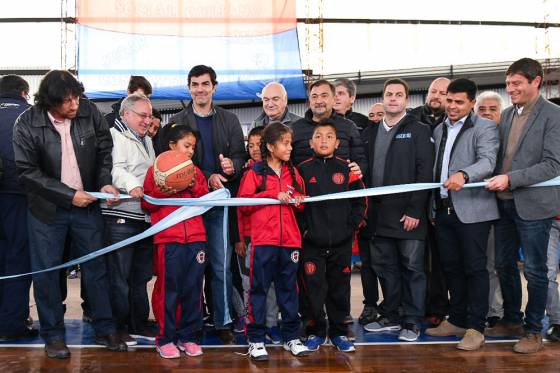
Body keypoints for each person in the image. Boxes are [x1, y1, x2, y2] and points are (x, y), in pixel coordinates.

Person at [13, 70, 127, 358]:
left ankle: (105, 328)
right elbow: (27, 172)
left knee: (97, 268)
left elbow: (104, 149)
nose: (75, 105)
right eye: (67, 101)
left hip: (87, 205)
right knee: (48, 272)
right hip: (46, 211)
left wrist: (103, 180)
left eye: (76, 97)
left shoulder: (88, 110)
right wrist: (67, 195)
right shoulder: (27, 123)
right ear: (49, 102)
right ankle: (52, 335)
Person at [485, 58, 560, 354]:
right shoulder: (505, 115)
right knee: (504, 265)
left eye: (516, 84)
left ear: (536, 81)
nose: (511, 89)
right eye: (508, 84)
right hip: (503, 204)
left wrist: (511, 178)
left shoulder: (553, 116)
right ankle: (512, 319)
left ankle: (532, 331)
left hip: (534, 207)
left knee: (535, 270)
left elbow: (553, 164)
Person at [169, 65, 245, 344]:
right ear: (189, 87)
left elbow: (240, 154)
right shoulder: (177, 121)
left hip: (220, 205)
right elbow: (172, 164)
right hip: (188, 206)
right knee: (190, 268)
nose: (200, 89)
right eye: (194, 84)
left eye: (205, 84)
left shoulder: (230, 119)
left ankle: (222, 320)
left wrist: (231, 166)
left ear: (214, 86)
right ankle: (191, 321)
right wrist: (205, 175)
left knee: (221, 266)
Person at [425, 78, 500, 351]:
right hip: (444, 209)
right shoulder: (438, 129)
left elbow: (488, 161)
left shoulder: (486, 128)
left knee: (475, 269)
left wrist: (464, 174)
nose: (452, 107)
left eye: (459, 102)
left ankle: (476, 328)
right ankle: (456, 319)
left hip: (473, 211)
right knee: (451, 268)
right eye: (449, 100)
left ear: (472, 103)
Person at [362, 78, 434, 342]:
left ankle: (413, 320)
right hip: (379, 217)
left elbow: (425, 172)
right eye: (389, 94)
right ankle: (391, 315)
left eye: (398, 94)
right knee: (385, 268)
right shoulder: (369, 133)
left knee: (412, 269)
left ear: (406, 100)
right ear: (383, 98)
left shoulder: (418, 129)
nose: (393, 98)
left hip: (408, 217)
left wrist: (415, 210)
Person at [237, 122, 310, 361]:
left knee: (289, 291)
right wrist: (272, 196)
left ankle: (291, 337)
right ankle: (256, 340)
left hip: (289, 242)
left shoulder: (294, 172)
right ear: (270, 146)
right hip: (263, 241)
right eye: (285, 143)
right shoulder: (254, 173)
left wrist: (298, 200)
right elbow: (243, 205)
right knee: (258, 290)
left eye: (290, 143)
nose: (289, 148)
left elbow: (301, 203)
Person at [298, 119, 367, 352]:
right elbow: (296, 207)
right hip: (312, 244)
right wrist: (305, 231)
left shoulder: (347, 169)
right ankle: (316, 332)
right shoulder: (302, 170)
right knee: (314, 289)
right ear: (310, 142)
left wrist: (351, 228)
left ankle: (338, 333)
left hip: (341, 243)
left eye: (329, 136)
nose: (324, 140)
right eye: (318, 136)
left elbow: (361, 201)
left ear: (337, 143)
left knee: (340, 289)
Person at [142, 125, 209, 359]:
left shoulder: (196, 172)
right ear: (172, 146)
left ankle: (188, 336)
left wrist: (193, 185)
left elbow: (205, 200)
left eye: (193, 147)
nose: (191, 151)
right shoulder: (156, 171)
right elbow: (147, 203)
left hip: (196, 239)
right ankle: (165, 338)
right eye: (186, 145)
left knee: (193, 290)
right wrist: (166, 191)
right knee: (168, 290)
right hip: (168, 239)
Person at [101, 93, 156, 345]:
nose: (147, 121)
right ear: (125, 114)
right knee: (119, 277)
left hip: (144, 216)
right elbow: (115, 168)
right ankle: (118, 326)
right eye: (142, 115)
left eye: (149, 116)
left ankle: (138, 323)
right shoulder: (114, 136)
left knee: (140, 276)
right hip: (120, 216)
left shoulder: (146, 140)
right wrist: (132, 185)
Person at [410, 77, 451, 326]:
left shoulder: (453, 122)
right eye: (433, 91)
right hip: (414, 200)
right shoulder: (412, 118)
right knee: (414, 260)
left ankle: (438, 307)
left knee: (440, 259)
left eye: (443, 92)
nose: (436, 95)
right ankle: (415, 306)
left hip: (441, 200)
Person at [0, 75, 38, 341]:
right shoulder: (31, 116)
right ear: (25, 93)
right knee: (17, 259)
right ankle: (12, 323)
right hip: (20, 197)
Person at [234, 126, 281, 343]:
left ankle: (271, 323)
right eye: (250, 145)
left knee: (270, 284)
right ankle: (251, 322)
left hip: (271, 240)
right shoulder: (246, 174)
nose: (254, 149)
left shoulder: (281, 171)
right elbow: (239, 210)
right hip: (250, 240)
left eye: (258, 144)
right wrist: (239, 238)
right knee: (249, 285)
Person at [475, 90, 506, 327]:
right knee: (487, 262)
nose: (486, 113)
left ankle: (500, 310)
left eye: (492, 109)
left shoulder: (507, 136)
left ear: (501, 113)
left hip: (510, 207)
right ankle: (491, 310)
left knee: (500, 264)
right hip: (480, 208)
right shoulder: (473, 134)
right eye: (482, 109)